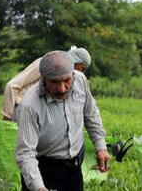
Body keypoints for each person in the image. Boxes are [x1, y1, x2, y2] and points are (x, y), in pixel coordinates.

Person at [15, 50, 109, 191]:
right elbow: (25, 153)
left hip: (74, 168)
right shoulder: (30, 105)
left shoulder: (81, 81)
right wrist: (39, 187)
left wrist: (100, 146)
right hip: (44, 170)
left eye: (67, 80)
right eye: (54, 82)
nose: (62, 88)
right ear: (44, 78)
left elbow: (91, 114)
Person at [2, 46, 92, 121]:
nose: (82, 73)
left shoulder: (65, 79)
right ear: (74, 61)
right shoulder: (45, 64)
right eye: (82, 69)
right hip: (22, 111)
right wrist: (7, 120)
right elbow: (11, 86)